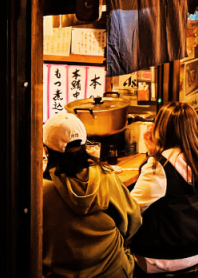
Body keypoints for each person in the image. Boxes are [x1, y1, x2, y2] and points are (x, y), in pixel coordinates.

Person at [42, 112, 142, 278]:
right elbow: (134, 221)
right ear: (84, 146)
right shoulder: (107, 178)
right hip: (114, 272)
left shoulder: (41, 191)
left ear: (46, 149)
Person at [129, 102, 198, 275]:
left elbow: (130, 209)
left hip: (165, 256)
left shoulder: (159, 167)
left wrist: (153, 157)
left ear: (162, 129)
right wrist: (155, 153)